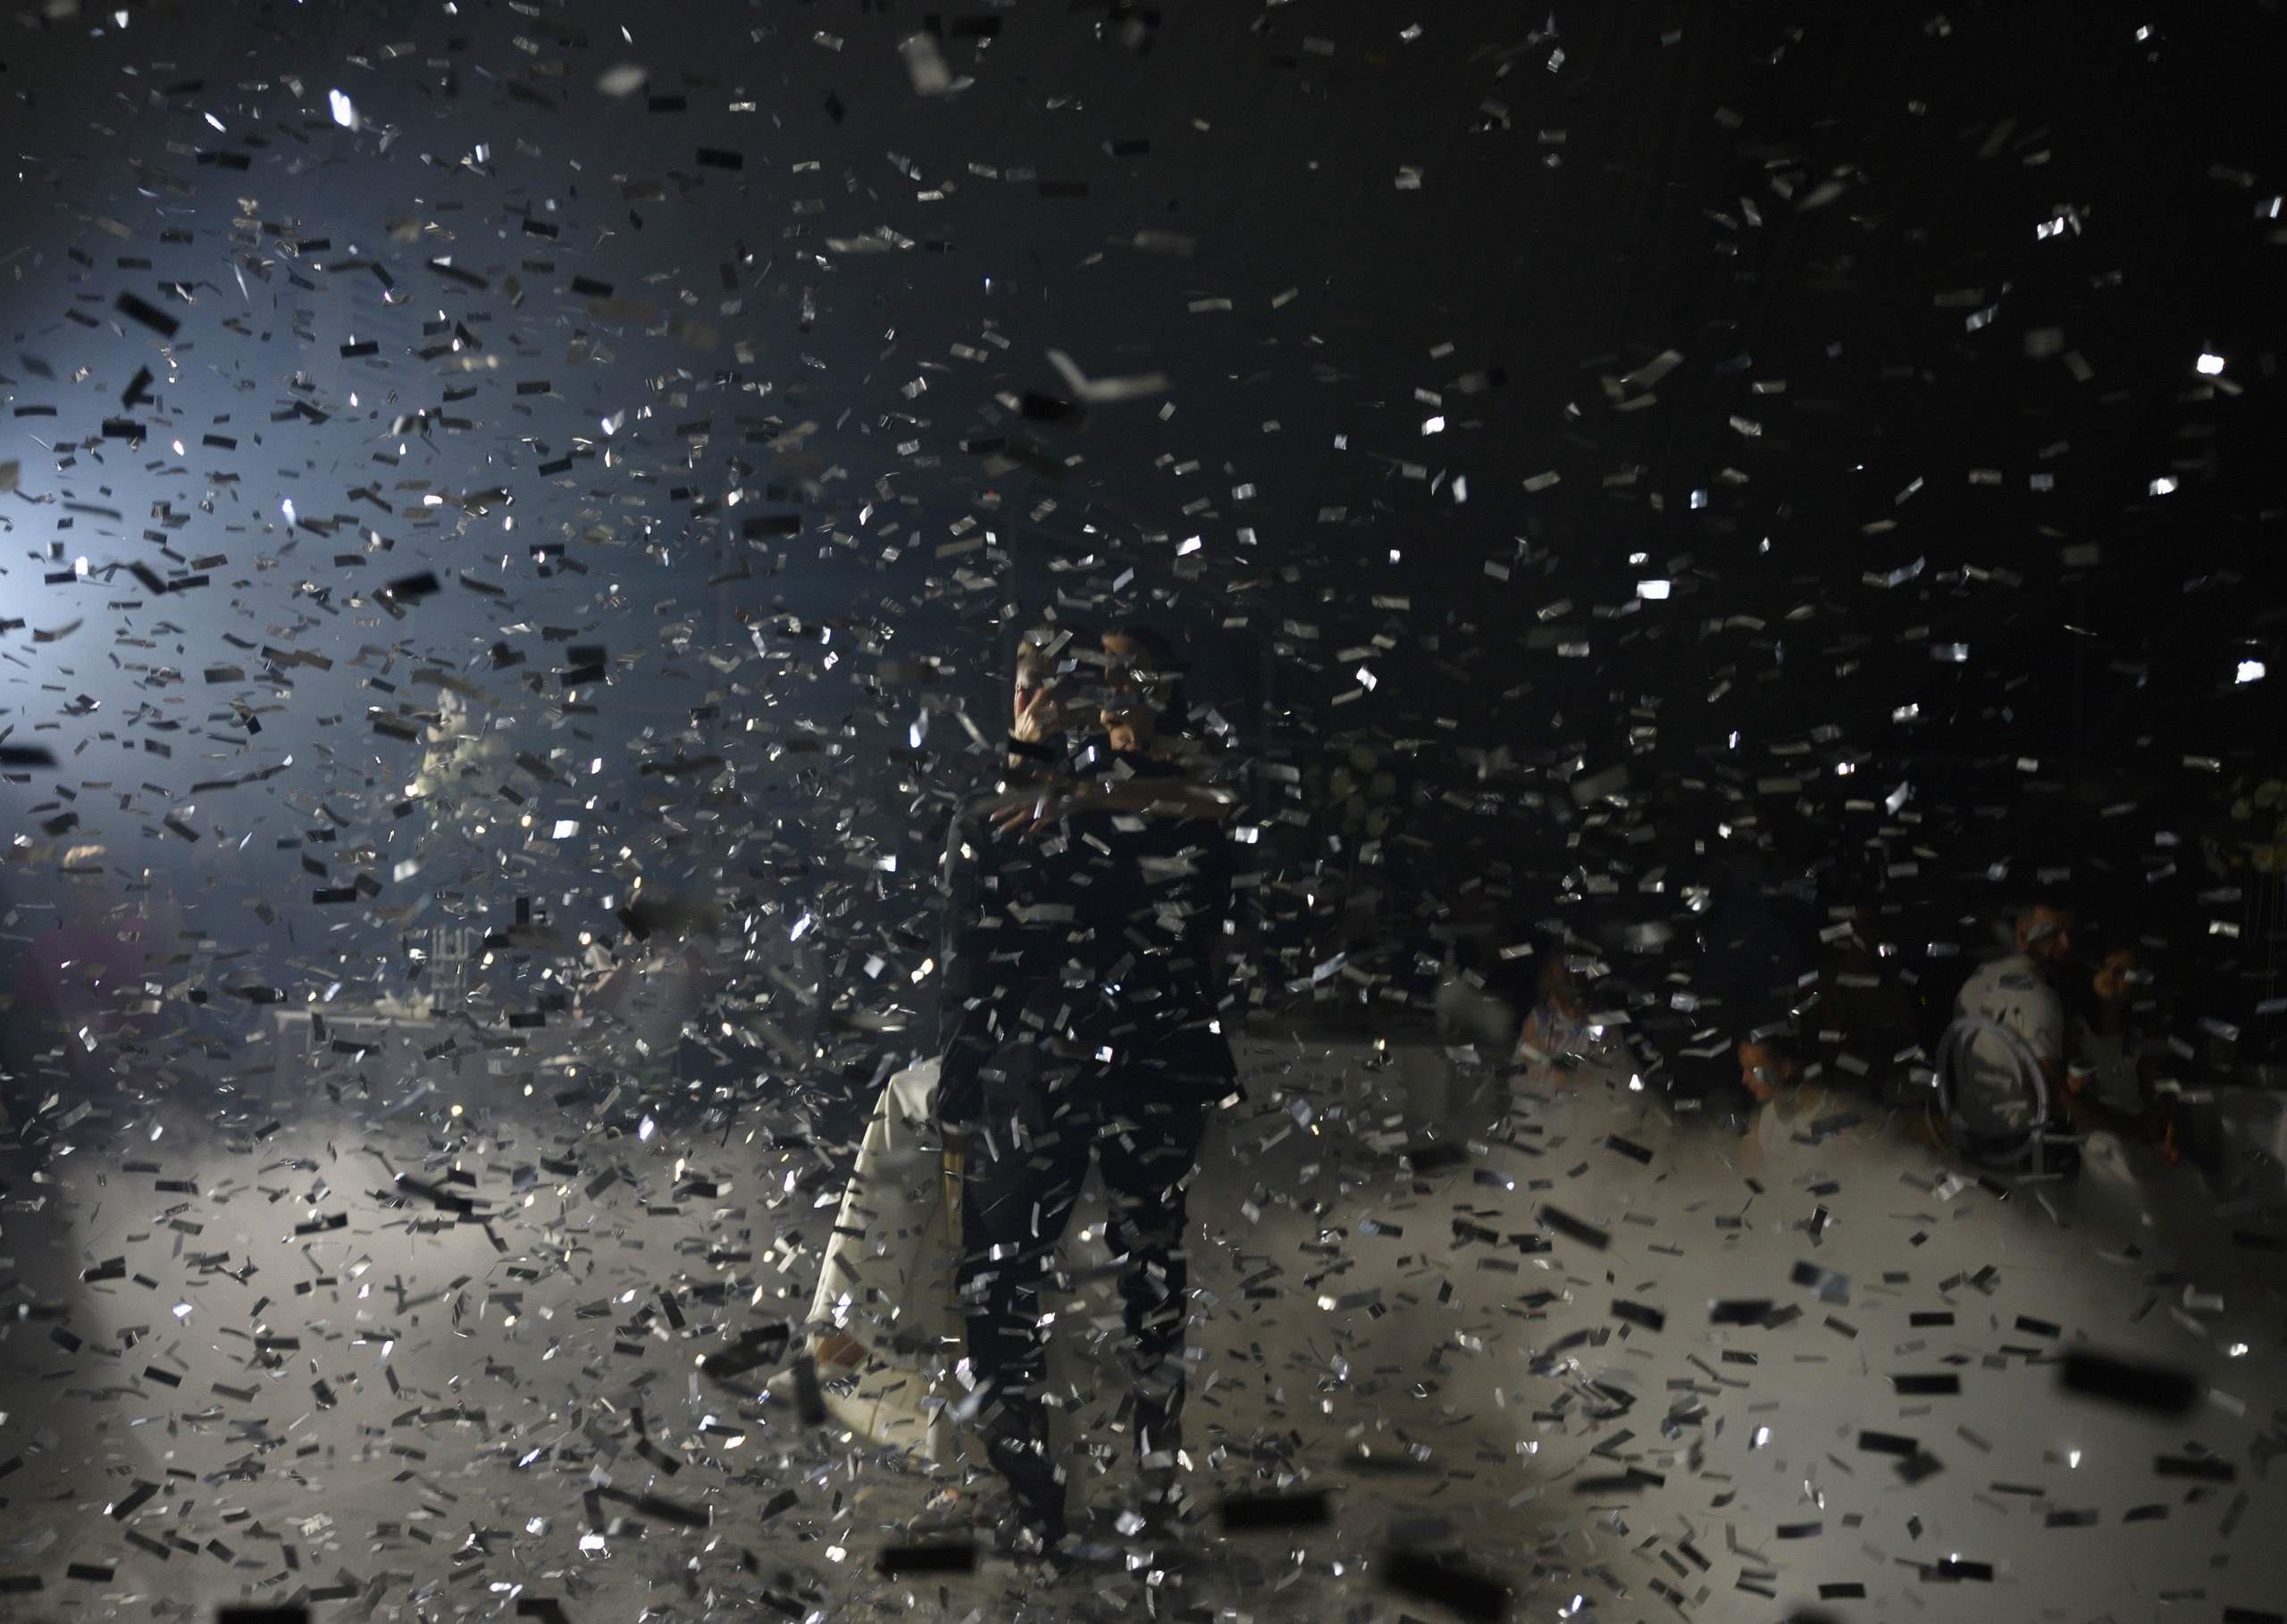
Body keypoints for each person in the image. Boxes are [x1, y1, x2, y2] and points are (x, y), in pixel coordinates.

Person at [944, 624, 1238, 1554]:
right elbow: (985, 916)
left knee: (1148, 1268)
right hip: (1043, 1069)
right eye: (1082, 682)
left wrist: (1060, 785)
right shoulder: (1031, 803)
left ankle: (1153, 1483)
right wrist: (1032, 757)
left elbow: (1194, 823)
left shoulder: (1177, 796)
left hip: (1145, 1058)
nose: (1105, 699)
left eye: (1127, 681)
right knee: (1000, 1276)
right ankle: (1033, 1488)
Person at [1948, 900, 2078, 1164]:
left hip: (1968, 1137)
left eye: (2070, 933)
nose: (2067, 945)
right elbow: (2056, 1098)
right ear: (2021, 935)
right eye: (2053, 934)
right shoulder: (2038, 997)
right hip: (2020, 1149)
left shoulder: (1976, 981)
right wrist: (2127, 1127)